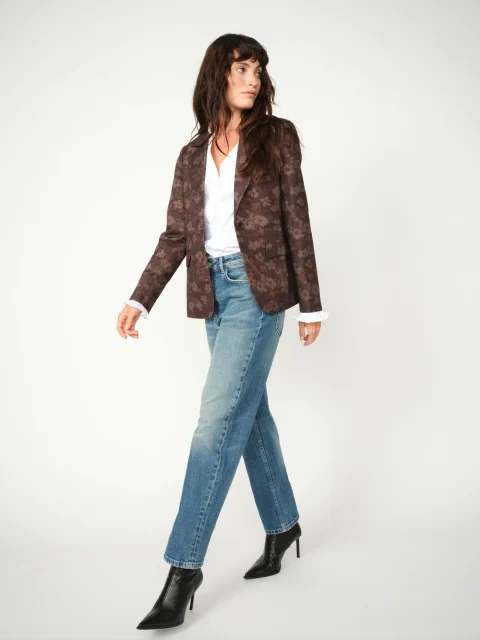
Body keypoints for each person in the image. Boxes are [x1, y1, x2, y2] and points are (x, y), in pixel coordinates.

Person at [116, 33, 329, 630]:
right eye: (242, 68)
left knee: (215, 425)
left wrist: (311, 306)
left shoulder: (276, 137)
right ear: (218, 74)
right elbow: (177, 237)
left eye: (258, 69)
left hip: (258, 295)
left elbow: (296, 218)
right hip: (212, 294)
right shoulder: (191, 157)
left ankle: (183, 570)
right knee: (249, 414)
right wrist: (140, 298)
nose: (253, 78)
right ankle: (283, 524)